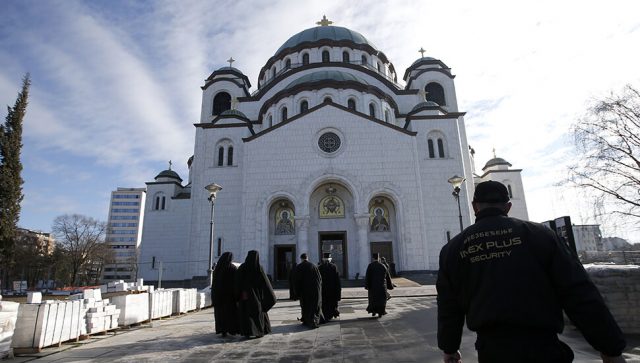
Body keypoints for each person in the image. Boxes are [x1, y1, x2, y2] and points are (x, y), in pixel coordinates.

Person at [437, 180, 627, 363]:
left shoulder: (454, 248)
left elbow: (449, 306)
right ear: (508, 206)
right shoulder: (540, 235)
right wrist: (610, 348)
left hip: (493, 351)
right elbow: (579, 293)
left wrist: (450, 348)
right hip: (544, 347)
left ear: (474, 206)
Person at [235, 250, 276, 338]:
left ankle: (247, 332)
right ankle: (258, 332)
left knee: (246, 314)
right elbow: (266, 283)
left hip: (245, 296)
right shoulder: (258, 268)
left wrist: (237, 295)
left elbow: (237, 282)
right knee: (257, 313)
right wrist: (270, 296)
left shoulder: (242, 267)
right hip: (257, 296)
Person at [211, 252, 239, 337]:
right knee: (230, 313)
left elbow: (214, 283)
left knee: (220, 314)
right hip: (229, 296)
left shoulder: (217, 269)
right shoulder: (232, 268)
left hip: (219, 296)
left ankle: (222, 330)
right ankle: (232, 330)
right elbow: (236, 282)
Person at [294, 253, 324, 328]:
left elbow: (296, 281)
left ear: (301, 259)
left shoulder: (299, 267)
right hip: (314, 290)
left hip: (304, 291)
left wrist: (297, 293)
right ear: (307, 258)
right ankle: (314, 320)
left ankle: (307, 320)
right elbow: (319, 279)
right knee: (314, 306)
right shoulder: (314, 266)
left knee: (305, 306)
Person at [364, 252, 394, 317]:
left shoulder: (370, 265)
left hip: (373, 287)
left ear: (372, 258)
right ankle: (380, 312)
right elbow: (387, 276)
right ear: (378, 258)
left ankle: (373, 311)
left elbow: (367, 276)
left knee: (373, 300)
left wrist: (367, 286)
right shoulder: (383, 266)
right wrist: (390, 286)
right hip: (382, 286)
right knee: (381, 300)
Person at [318, 252, 341, 322]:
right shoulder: (334, 267)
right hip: (332, 289)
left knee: (324, 303)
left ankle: (325, 315)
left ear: (323, 259)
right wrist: (338, 289)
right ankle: (331, 315)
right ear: (330, 259)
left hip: (323, 289)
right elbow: (337, 279)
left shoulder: (320, 267)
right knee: (332, 303)